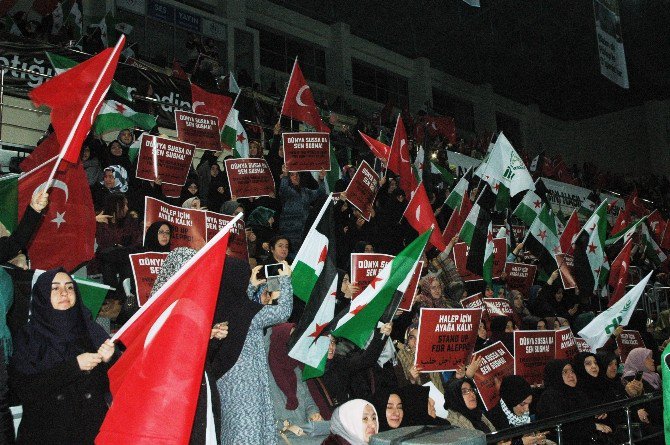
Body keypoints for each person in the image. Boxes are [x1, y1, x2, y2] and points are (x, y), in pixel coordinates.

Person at [9, 269, 116, 444]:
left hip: (91, 433)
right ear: (42, 295)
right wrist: (74, 367)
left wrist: (110, 360)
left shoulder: (91, 329)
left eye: (69, 287)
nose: (64, 293)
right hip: (46, 435)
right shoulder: (29, 337)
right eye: (55, 288)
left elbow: (115, 382)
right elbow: (24, 389)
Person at [216, 260, 293, 445]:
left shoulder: (220, 305)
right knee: (247, 434)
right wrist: (283, 280)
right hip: (246, 386)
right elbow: (282, 311)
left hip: (226, 382)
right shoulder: (244, 312)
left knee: (231, 431)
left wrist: (250, 287)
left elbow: (245, 312)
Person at [536, 359, 611, 444]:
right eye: (565, 372)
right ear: (555, 375)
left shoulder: (578, 392)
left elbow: (585, 415)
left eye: (572, 371)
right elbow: (562, 427)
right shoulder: (549, 397)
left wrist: (597, 414)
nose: (571, 375)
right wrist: (592, 426)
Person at [487, 375, 551, 445]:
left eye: (529, 404)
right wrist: (521, 443)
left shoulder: (529, 410)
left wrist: (537, 439)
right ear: (511, 401)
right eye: (522, 404)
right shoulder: (493, 419)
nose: (527, 409)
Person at [278, 165, 326, 252]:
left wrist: (321, 179)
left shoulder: (305, 191)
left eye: (297, 175)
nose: (295, 177)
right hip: (289, 232)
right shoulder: (286, 191)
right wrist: (285, 176)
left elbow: (321, 193)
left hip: (304, 231)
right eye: (292, 175)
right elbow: (283, 188)